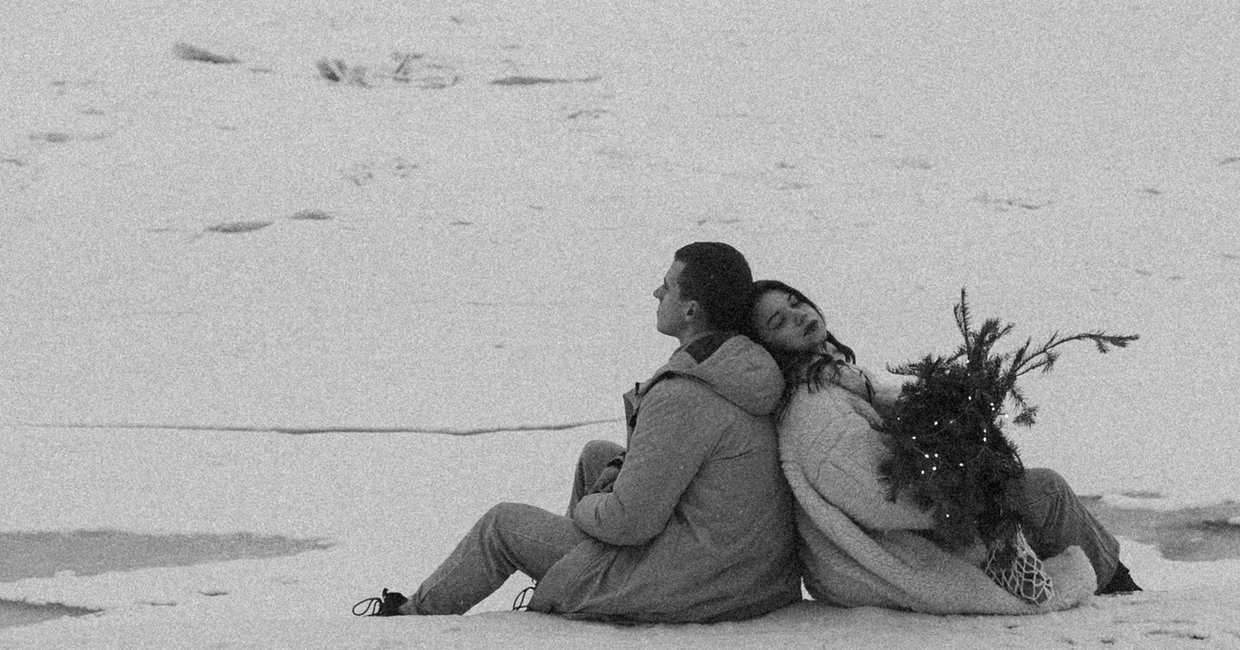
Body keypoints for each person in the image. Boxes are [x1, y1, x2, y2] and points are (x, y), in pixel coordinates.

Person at [360, 241, 802, 623]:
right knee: (597, 455)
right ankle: (567, 579)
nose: (656, 293)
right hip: (744, 568)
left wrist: (593, 504)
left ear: (690, 310)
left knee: (502, 525)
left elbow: (630, 523)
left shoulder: (684, 396)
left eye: (667, 286)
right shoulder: (740, 365)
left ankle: (410, 619)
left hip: (700, 584)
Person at [746, 279, 1137, 612]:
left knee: (1032, 491)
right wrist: (971, 486)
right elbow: (876, 495)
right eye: (779, 321)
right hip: (897, 549)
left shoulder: (835, 377)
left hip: (915, 527)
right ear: (768, 348)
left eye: (795, 302)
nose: (797, 315)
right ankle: (1123, 594)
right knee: (1046, 492)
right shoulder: (815, 407)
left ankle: (1114, 583)